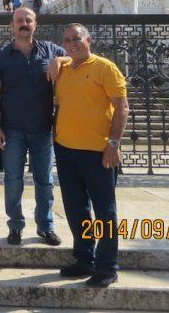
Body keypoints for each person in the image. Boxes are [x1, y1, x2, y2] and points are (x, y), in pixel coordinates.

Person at [53, 23, 129, 288]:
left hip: (99, 151)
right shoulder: (63, 69)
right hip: (66, 150)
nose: (72, 43)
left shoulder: (105, 67)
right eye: (67, 40)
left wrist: (114, 144)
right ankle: (84, 259)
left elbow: (122, 108)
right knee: (76, 209)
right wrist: (58, 59)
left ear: (89, 40)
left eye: (77, 39)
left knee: (104, 211)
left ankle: (108, 266)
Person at [0, 7, 65, 246]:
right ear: (12, 25)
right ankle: (15, 226)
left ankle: (46, 225)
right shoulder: (1, 56)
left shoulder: (52, 51)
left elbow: (79, 57)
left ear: (35, 24)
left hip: (43, 128)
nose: (23, 24)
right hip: (12, 129)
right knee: (13, 180)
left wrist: (61, 60)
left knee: (45, 180)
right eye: (19, 20)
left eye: (28, 20)